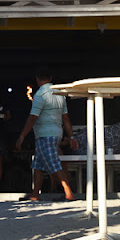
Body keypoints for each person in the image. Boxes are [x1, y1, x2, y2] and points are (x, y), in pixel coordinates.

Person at [16, 67, 76, 202]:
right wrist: (71, 136)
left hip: (44, 134)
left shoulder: (40, 95)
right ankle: (35, 194)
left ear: (37, 80)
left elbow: (32, 118)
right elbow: (65, 118)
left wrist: (22, 136)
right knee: (38, 164)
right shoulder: (59, 94)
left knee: (53, 162)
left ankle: (69, 193)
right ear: (51, 78)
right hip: (56, 133)